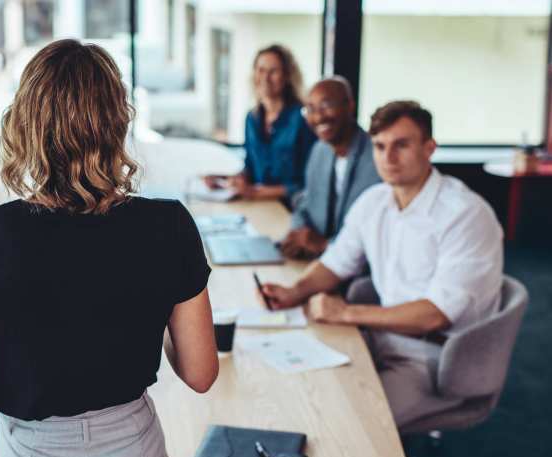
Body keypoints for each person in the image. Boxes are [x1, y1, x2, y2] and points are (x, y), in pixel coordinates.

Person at [0, 39, 218, 457]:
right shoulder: (170, 224)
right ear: (118, 121)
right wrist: (154, 294)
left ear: (23, 124)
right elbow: (200, 372)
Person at [260, 101, 503, 427]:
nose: (388, 158)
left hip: (437, 360)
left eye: (401, 145)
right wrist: (295, 291)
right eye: (379, 146)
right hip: (379, 338)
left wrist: (346, 313)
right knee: (299, 394)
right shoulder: (374, 201)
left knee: (348, 428)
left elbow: (435, 315)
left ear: (429, 148)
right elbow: (336, 263)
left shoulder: (465, 214)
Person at [280, 76, 381, 259]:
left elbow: (377, 233)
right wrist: (299, 232)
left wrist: (325, 245)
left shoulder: (378, 158)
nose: (318, 116)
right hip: (317, 260)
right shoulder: (319, 151)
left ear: (350, 106)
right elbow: (305, 204)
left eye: (326, 106)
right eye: (310, 109)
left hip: (355, 267)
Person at [204, 44, 316, 203]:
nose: (265, 77)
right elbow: (250, 167)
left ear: (287, 76)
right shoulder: (252, 119)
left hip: (291, 208)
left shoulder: (303, 119)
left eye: (273, 71)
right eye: (260, 70)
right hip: (259, 205)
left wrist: (256, 193)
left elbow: (309, 183)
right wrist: (227, 179)